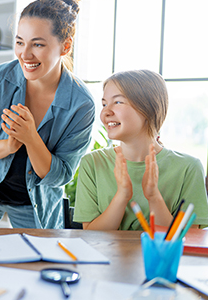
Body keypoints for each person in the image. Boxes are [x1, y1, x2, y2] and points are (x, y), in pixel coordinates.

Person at [0, 0, 95, 229]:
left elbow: (60, 175)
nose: (25, 54)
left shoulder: (80, 104)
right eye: (20, 42)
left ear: (65, 46)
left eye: (38, 44)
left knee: (37, 264)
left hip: (36, 203)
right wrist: (9, 145)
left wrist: (31, 137)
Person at [74, 70, 208, 230]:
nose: (106, 112)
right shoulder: (93, 163)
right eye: (104, 104)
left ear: (148, 108)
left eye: (117, 102)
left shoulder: (189, 168)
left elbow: (189, 238)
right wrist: (122, 196)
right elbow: (91, 235)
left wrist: (154, 197)